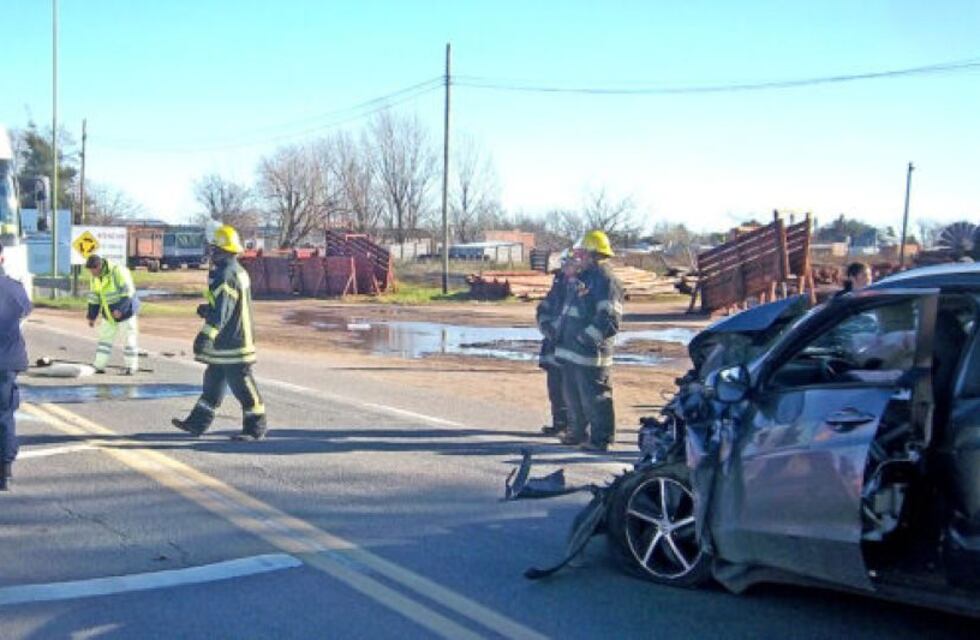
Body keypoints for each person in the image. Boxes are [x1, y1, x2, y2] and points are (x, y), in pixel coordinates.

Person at [172, 224, 267, 441]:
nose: (211, 252)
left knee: (242, 385)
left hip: (234, 341)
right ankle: (197, 423)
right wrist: (209, 309)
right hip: (225, 340)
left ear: (222, 250)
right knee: (212, 383)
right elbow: (226, 306)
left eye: (214, 248)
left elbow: (223, 312)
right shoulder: (234, 270)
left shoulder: (226, 275)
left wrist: (205, 336)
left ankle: (255, 428)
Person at [554, 230, 624, 452]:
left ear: (593, 255)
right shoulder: (583, 278)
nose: (577, 259)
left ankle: (601, 439)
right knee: (573, 396)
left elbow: (609, 319)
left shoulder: (606, 280)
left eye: (581, 254)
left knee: (596, 398)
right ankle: (576, 433)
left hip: (590, 353)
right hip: (572, 351)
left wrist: (585, 339)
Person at [0, 243, 32, 490]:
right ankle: (5, 472)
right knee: (4, 415)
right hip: (7, 362)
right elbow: (25, 310)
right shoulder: (14, 288)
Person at [537, 251, 579, 437]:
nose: (566, 267)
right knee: (555, 387)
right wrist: (546, 325)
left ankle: (574, 426)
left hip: (572, 346)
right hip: (553, 344)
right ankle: (559, 423)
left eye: (570, 264)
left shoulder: (584, 284)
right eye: (565, 264)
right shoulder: (559, 284)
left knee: (572, 389)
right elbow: (544, 307)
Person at [85, 254, 140, 374]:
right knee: (104, 341)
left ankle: (131, 367)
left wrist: (120, 309)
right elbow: (94, 298)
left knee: (128, 340)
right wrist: (91, 317)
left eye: (93, 270)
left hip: (126, 312)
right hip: (109, 314)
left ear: (99, 266)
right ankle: (99, 366)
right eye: (90, 271)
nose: (91, 273)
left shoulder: (117, 271)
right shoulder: (94, 278)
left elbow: (128, 293)